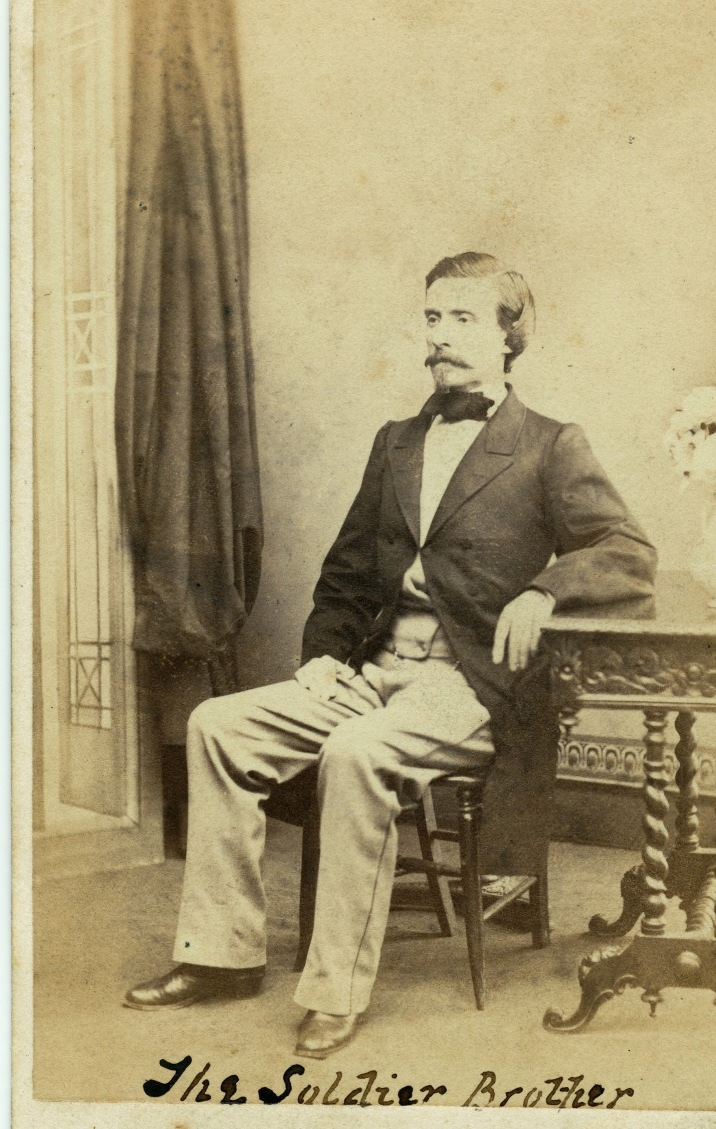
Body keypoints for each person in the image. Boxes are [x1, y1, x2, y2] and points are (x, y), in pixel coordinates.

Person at [125, 251, 657, 1059]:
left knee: (355, 751)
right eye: (433, 317)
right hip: (376, 671)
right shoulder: (397, 442)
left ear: (511, 337)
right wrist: (324, 657)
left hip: (471, 686)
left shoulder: (550, 445)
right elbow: (345, 571)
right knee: (217, 725)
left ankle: (335, 990)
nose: (440, 337)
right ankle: (220, 956)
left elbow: (626, 548)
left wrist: (543, 591)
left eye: (464, 319)